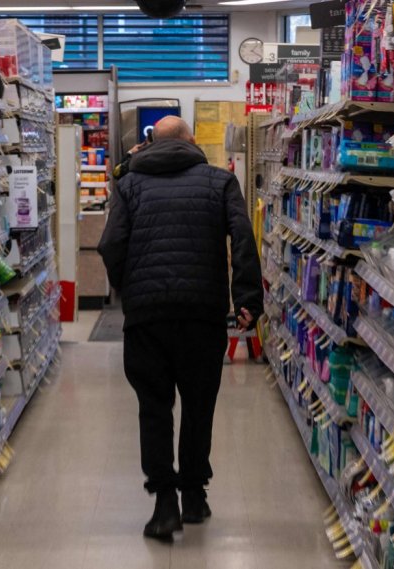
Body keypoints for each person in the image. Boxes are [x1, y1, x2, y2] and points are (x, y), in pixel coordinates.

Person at [97, 116, 263, 542]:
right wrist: (247, 299)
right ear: (192, 141)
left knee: (154, 407)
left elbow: (111, 244)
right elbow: (243, 237)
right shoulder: (219, 182)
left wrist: (129, 289)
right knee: (198, 405)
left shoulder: (129, 184)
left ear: (150, 143)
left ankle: (164, 505)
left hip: (147, 317)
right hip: (202, 313)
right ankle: (193, 494)